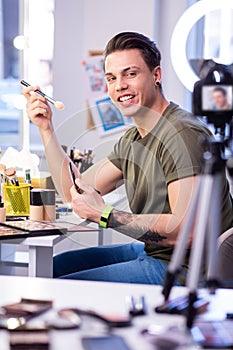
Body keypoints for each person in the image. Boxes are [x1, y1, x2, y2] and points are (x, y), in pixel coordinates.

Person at [22, 32, 233, 285]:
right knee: (53, 267)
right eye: (111, 78)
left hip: (186, 271)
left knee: (55, 285)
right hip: (156, 253)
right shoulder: (133, 139)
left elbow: (184, 233)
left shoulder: (182, 133)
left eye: (130, 74)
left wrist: (105, 214)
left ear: (156, 75)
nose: (119, 85)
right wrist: (46, 128)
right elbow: (72, 192)